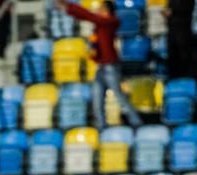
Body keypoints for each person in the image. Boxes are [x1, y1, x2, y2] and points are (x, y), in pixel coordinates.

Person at [55, 0, 142, 129]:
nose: (99, 11)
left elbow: (89, 16)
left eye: (102, 8)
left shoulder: (110, 22)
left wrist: (69, 6)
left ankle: (136, 121)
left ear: (108, 10)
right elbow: (87, 18)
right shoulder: (100, 25)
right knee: (97, 96)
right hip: (101, 66)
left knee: (119, 95)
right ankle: (101, 125)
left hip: (110, 66)